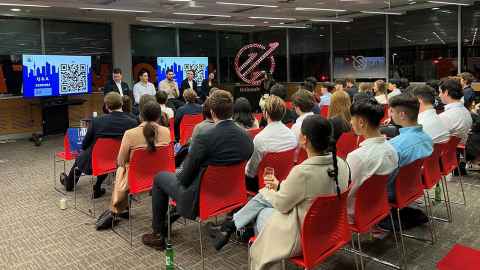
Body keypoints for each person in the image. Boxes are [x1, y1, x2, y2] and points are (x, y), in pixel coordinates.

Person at [210, 115, 350, 270]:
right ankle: (233, 225)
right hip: (330, 229)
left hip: (305, 236)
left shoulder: (303, 173)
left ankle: (236, 227)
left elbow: (283, 206)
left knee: (261, 211)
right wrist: (279, 187)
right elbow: (303, 193)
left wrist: (271, 191)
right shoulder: (342, 164)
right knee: (266, 195)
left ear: (304, 139)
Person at [141, 90, 254, 250]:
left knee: (160, 178)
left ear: (212, 112)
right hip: (232, 194)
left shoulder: (204, 138)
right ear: (231, 111)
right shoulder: (247, 137)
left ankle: (158, 234)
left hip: (202, 198)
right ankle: (167, 220)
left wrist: (179, 173)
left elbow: (185, 179)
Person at [95, 100, 171, 230]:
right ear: (159, 116)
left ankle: (117, 208)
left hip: (136, 180)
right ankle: (119, 209)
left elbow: (120, 161)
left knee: (121, 169)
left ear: (140, 116)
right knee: (125, 168)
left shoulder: (130, 134)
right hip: (161, 177)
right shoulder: (166, 131)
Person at [60, 92, 138, 197]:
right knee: (106, 155)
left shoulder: (97, 121)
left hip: (97, 161)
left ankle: (69, 183)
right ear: (121, 104)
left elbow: (84, 144)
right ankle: (97, 187)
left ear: (106, 106)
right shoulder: (132, 122)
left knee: (82, 156)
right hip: (121, 160)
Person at [346, 98, 398, 222]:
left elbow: (347, 192)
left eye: (352, 118)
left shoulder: (357, 157)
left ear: (361, 122)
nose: (350, 122)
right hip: (380, 204)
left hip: (357, 211)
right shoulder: (392, 149)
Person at [245, 96, 298, 192]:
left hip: (265, 186)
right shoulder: (292, 136)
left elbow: (251, 172)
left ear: (265, 113)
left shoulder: (260, 139)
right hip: (285, 183)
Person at [387, 94, 433, 201]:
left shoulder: (394, 146)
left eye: (392, 111)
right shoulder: (428, 138)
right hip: (413, 186)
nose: (390, 114)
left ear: (402, 115)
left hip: (392, 192)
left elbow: (385, 180)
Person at [439, 79, 473, 144]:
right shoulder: (466, 112)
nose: (439, 95)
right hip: (459, 150)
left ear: (446, 92)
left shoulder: (446, 116)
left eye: (440, 92)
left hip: (447, 151)